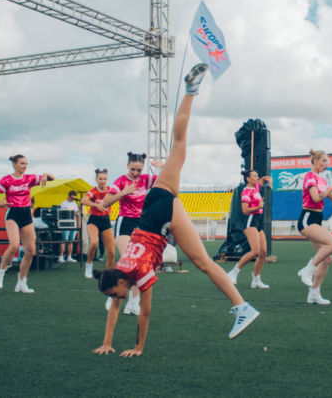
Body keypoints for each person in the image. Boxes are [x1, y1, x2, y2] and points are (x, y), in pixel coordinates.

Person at [92, 63, 259, 357]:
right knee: (179, 145)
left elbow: (144, 314)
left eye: (113, 294)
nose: (114, 299)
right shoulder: (121, 272)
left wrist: (138, 348)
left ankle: (243, 307)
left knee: (204, 262)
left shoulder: (138, 274)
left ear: (120, 282)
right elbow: (116, 308)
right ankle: (191, 91)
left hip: (160, 216)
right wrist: (107, 342)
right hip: (158, 204)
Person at [101, 152, 162, 315]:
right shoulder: (120, 181)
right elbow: (105, 202)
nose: (135, 173)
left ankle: (134, 302)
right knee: (130, 262)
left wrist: (161, 168)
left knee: (140, 264)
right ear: (127, 166)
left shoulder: (145, 180)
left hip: (141, 225)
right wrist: (123, 192)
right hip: (125, 223)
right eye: (133, 169)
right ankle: (112, 292)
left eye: (139, 170)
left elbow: (166, 182)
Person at [0, 155, 55, 292]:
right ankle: (1, 273)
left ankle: (22, 282)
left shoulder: (29, 178)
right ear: (14, 164)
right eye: (22, 163)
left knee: (31, 251)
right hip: (12, 214)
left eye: (26, 163)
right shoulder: (6, 180)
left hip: (26, 215)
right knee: (14, 245)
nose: (25, 166)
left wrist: (46, 174)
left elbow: (53, 178)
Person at [296, 149, 332, 305]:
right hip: (307, 218)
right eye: (323, 161)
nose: (325, 165)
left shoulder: (322, 180)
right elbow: (316, 198)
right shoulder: (310, 177)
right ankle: (307, 270)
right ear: (314, 161)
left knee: (327, 258)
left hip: (318, 218)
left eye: (327, 163)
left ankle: (314, 293)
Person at [227, 170, 273, 288]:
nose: (257, 178)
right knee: (255, 251)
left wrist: (269, 180)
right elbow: (245, 210)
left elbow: (263, 179)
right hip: (250, 221)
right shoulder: (246, 191)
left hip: (258, 221)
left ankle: (256, 279)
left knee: (263, 252)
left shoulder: (256, 187)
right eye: (254, 176)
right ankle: (234, 272)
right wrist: (259, 206)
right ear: (248, 179)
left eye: (257, 176)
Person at [81, 168, 115, 278]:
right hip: (94, 220)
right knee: (94, 242)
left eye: (104, 179)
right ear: (96, 179)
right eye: (100, 179)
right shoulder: (94, 191)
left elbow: (119, 196)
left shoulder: (110, 190)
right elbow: (83, 200)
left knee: (111, 253)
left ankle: (108, 274)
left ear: (107, 179)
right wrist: (96, 205)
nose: (102, 181)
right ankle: (89, 265)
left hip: (105, 220)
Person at [57, 190, 80, 263]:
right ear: (69, 195)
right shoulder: (63, 203)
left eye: (74, 196)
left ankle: (69, 256)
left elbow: (77, 215)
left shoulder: (75, 204)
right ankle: (61, 256)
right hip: (65, 224)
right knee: (64, 240)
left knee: (71, 240)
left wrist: (78, 226)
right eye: (72, 196)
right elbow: (60, 214)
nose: (73, 198)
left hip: (73, 224)